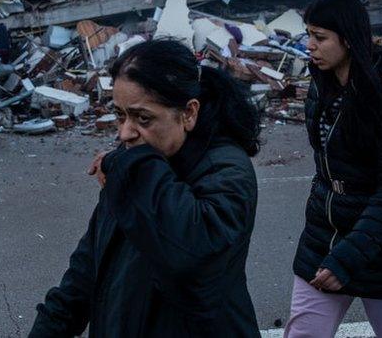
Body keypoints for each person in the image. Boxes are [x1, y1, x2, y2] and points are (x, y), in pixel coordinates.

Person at [30, 39, 262, 337]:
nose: (125, 133)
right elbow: (85, 272)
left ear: (189, 113)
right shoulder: (133, 165)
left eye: (143, 118)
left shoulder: (226, 169)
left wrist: (126, 165)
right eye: (120, 115)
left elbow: (192, 255)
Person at [286, 0, 382, 338]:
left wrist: (349, 258)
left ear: (349, 40)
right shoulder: (320, 85)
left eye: (319, 37)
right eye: (308, 34)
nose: (310, 45)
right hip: (325, 235)